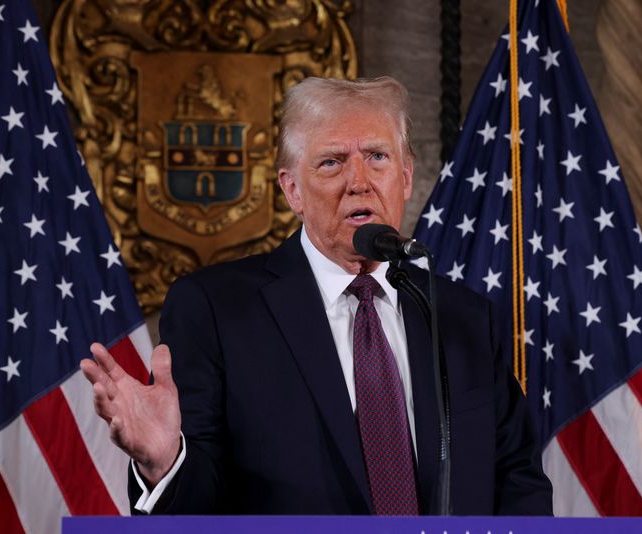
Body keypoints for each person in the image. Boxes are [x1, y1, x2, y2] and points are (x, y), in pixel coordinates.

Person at [81, 76, 553, 515]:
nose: (359, 181)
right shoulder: (216, 310)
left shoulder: (462, 316)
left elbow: (518, 480)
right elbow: (199, 506)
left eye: (377, 157)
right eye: (331, 162)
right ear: (292, 190)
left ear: (406, 178)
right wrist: (165, 460)